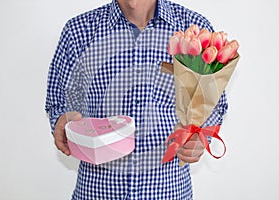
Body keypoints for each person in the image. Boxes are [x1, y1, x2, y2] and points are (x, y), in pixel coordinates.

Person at [45, 0, 228, 199]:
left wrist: (200, 137)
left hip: (168, 191)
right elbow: (58, 101)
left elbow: (215, 104)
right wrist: (63, 121)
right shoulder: (77, 32)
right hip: (97, 191)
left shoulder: (193, 29)